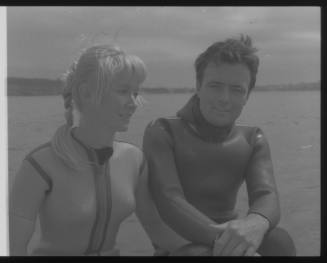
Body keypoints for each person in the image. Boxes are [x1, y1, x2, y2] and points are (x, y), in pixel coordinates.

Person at [9, 44, 189, 256]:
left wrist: (207, 249)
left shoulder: (134, 160)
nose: (133, 103)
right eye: (123, 91)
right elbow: (12, 246)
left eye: (135, 92)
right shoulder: (40, 165)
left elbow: (156, 228)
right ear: (86, 93)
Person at [143, 35, 296, 256]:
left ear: (248, 95)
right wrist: (237, 245)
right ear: (198, 86)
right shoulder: (163, 131)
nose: (225, 98)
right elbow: (169, 200)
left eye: (237, 89)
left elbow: (266, 195)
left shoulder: (252, 138)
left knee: (279, 241)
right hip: (179, 244)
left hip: (229, 238)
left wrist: (257, 222)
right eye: (215, 86)